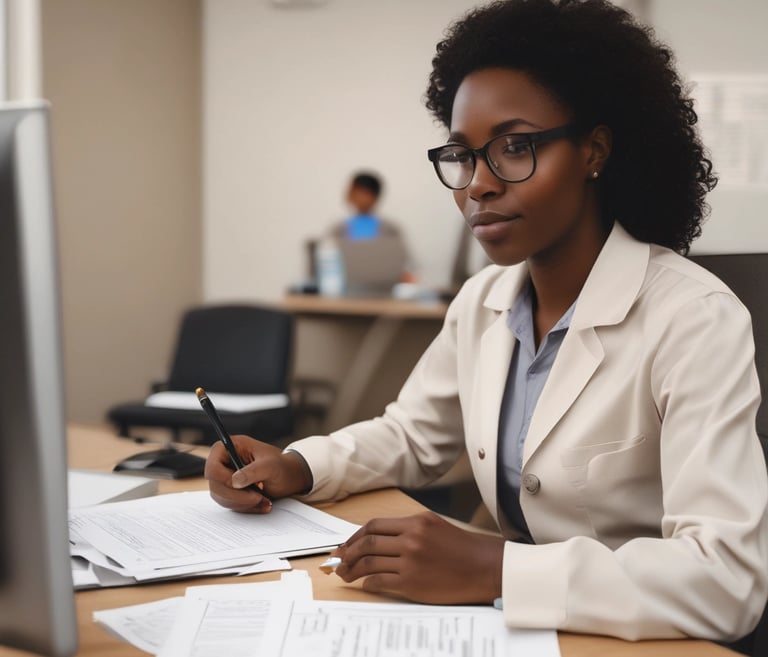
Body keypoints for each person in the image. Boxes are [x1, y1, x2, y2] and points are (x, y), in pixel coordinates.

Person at [206, 0, 768, 643]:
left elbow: (727, 579)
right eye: (463, 156)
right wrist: (300, 466)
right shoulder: (484, 300)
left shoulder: (693, 319)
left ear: (595, 151)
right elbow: (414, 435)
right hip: (512, 630)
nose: (478, 184)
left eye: (514, 147)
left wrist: (499, 568)